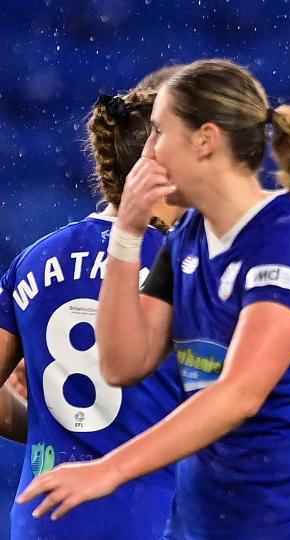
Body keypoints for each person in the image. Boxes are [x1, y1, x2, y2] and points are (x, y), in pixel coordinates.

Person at [17, 59, 290, 538]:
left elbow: (241, 393)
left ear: (205, 140)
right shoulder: (187, 241)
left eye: (159, 133)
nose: (147, 152)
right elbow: (121, 364)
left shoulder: (287, 241)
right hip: (206, 521)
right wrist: (127, 234)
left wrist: (109, 469)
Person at [0, 66, 184, 540]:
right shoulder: (182, 268)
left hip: (44, 519)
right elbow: (240, 403)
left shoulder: (33, 260)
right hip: (147, 519)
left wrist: (48, 423)